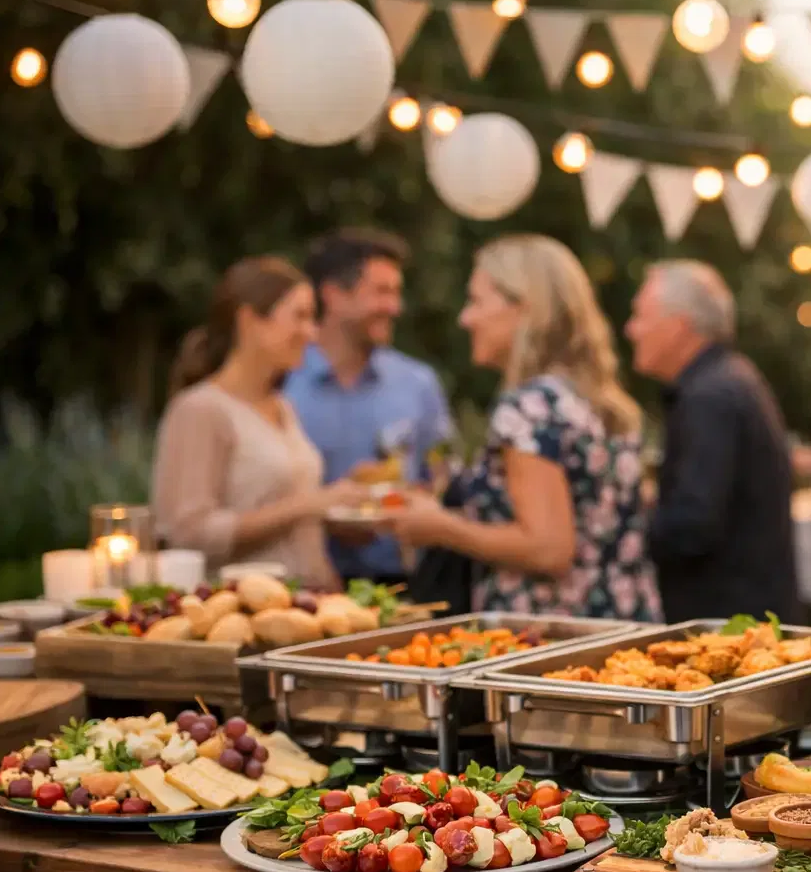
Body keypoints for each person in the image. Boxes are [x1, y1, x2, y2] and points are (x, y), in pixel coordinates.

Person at [385, 235, 658, 621]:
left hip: (548, 642)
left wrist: (440, 527)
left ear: (525, 309)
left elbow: (548, 549)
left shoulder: (529, 407)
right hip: (619, 624)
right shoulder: (595, 399)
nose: (466, 318)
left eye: (477, 301)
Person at [153, 256, 363, 588]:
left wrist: (338, 509)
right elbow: (188, 533)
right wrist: (308, 504)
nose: (311, 334)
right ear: (250, 321)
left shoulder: (283, 407)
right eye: (300, 316)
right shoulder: (200, 411)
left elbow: (287, 517)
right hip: (246, 618)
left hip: (313, 607)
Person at [625, 260, 798, 624]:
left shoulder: (709, 397)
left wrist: (620, 533)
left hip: (725, 623)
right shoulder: (727, 379)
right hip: (744, 612)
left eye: (640, 316)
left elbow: (691, 527)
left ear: (678, 326)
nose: (631, 330)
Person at [283, 229, 454, 586]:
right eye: (382, 292)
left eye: (396, 292)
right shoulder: (284, 386)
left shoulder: (418, 383)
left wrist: (415, 496)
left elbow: (443, 476)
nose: (395, 307)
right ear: (333, 295)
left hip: (405, 583)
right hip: (302, 583)